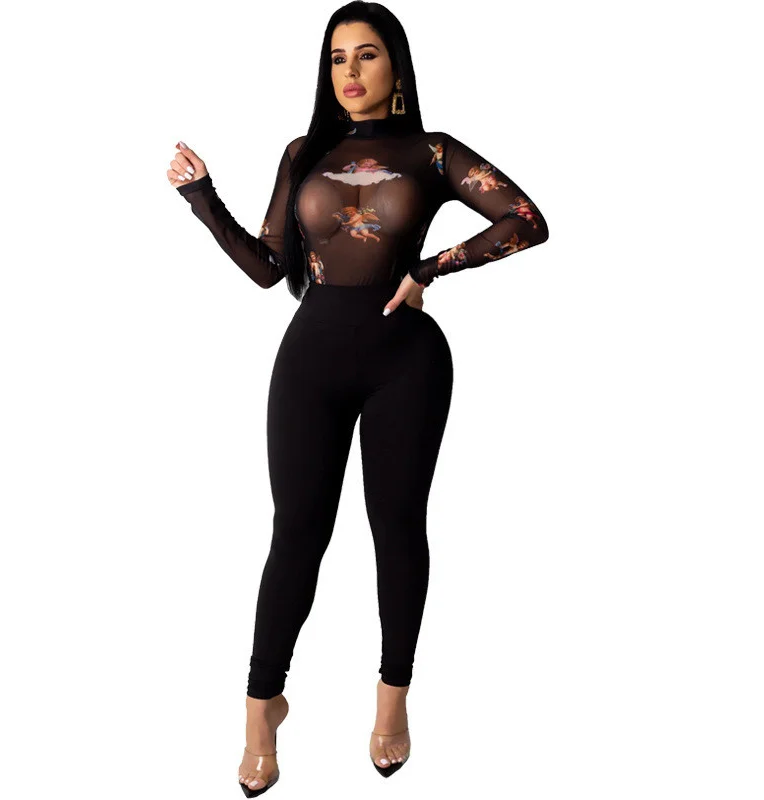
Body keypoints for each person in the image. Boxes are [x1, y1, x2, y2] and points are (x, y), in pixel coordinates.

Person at [167, 2, 549, 795]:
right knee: (296, 535)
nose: (350, 71)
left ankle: (391, 700)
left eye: (367, 55)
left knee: (396, 527)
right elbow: (269, 268)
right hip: (309, 361)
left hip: (407, 362)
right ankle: (261, 709)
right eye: (338, 57)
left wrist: (431, 268)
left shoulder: (433, 152)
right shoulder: (304, 152)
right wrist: (203, 198)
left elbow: (525, 219)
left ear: (395, 65)